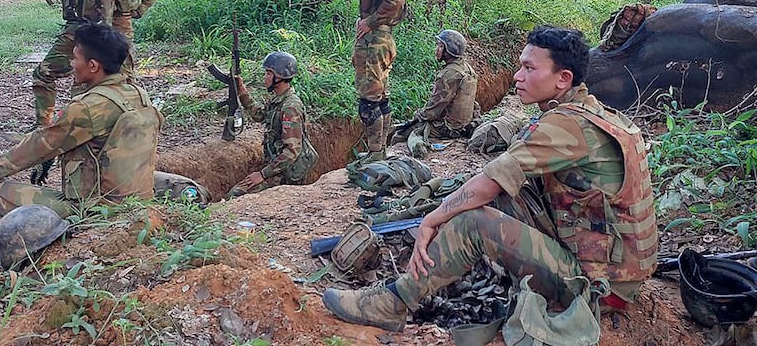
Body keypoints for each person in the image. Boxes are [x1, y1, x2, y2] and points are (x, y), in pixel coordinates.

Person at [323, 26, 658, 332]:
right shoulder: (591, 111)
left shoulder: (566, 126)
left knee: (473, 221)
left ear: (562, 78)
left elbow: (491, 180)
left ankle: (394, 302)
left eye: (529, 68)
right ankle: (439, 270)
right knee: (490, 197)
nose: (517, 77)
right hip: (616, 269)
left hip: (600, 286)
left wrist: (432, 219)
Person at [0, 24, 163, 220]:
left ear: (93, 66)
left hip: (95, 209)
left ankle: (70, 228)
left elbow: (34, 148)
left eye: (75, 58)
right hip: (135, 198)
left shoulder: (87, 107)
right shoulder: (138, 94)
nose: (71, 64)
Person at [227, 52, 318, 198]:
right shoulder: (279, 100)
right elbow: (260, 115)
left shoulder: (290, 107)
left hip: (286, 174)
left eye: (268, 74)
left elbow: (291, 152)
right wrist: (242, 92)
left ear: (279, 78)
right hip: (277, 167)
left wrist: (263, 174)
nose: (265, 78)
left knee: (236, 194)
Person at [353, 0, 407, 164]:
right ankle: (380, 150)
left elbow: (394, 2)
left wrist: (369, 22)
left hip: (375, 41)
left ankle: (375, 154)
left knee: (369, 99)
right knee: (380, 97)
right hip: (383, 39)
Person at [402, 29, 478, 140]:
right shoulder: (467, 68)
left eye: (441, 46)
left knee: (400, 135)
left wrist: (417, 115)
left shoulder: (449, 74)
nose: (437, 50)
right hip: (466, 124)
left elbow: (432, 111)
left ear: (449, 51)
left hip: (450, 129)